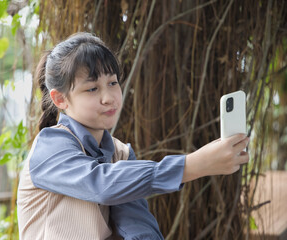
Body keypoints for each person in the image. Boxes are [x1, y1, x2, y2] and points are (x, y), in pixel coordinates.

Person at [17, 32, 249, 240]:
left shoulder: (121, 154)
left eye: (113, 82)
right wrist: (194, 165)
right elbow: (103, 184)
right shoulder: (50, 147)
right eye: (92, 88)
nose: (108, 97)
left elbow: (137, 226)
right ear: (60, 99)